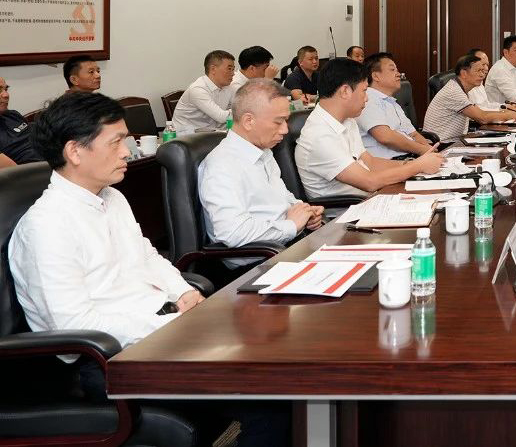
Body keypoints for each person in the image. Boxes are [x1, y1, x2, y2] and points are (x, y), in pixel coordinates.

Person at [9, 92, 204, 354]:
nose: (126, 152)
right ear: (75, 151)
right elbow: (74, 326)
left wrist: (184, 292)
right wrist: (168, 325)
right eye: (115, 143)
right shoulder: (45, 226)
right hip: (109, 355)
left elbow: (146, 256)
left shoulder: (112, 196)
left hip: (160, 322)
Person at [198, 79, 323, 267]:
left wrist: (304, 211)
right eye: (278, 122)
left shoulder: (262, 151)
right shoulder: (222, 165)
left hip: (286, 248)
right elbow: (232, 232)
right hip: (256, 264)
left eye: (286, 120)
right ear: (249, 121)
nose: (285, 129)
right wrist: (291, 225)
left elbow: (282, 198)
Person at [296, 58, 444, 199]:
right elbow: (369, 182)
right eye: (364, 91)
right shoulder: (319, 135)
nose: (367, 98)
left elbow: (371, 163)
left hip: (373, 197)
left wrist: (412, 164)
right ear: (345, 91)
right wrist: (417, 166)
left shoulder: (347, 121)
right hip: (348, 210)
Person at [425, 54, 516, 141]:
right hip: (442, 144)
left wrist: (506, 110)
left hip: (455, 139)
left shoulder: (460, 88)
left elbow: (480, 111)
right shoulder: (454, 92)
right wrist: (509, 115)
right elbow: (482, 117)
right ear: (464, 73)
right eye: (478, 71)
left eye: (483, 71)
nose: (482, 75)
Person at [357, 52, 437, 158]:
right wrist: (422, 150)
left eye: (397, 70)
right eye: (392, 70)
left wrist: (430, 150)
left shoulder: (392, 102)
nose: (398, 74)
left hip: (409, 157)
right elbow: (385, 137)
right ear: (376, 76)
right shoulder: (368, 99)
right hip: (389, 162)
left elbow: (413, 134)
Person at [170, 50, 237, 133]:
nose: (233, 73)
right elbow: (221, 117)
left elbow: (238, 107)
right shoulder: (198, 89)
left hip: (211, 133)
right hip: (187, 136)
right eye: (229, 69)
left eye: (233, 69)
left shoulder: (228, 87)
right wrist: (243, 111)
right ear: (213, 69)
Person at [0, 76, 38, 168]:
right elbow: (14, 174)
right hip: (37, 172)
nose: (6, 95)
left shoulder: (13, 115)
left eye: (6, 89)